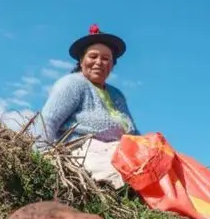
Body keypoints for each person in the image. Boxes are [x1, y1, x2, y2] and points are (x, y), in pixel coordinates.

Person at [39, 24, 139, 187]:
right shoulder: (72, 84)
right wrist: (43, 159)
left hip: (122, 153)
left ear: (112, 65)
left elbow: (133, 132)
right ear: (81, 60)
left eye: (106, 59)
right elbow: (47, 121)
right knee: (121, 178)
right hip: (84, 151)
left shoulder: (117, 95)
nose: (99, 62)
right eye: (93, 56)